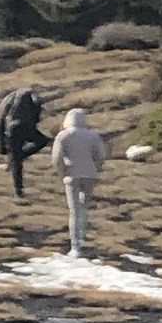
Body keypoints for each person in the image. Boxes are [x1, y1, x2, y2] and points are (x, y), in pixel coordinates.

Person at [50, 105, 108, 257]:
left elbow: (56, 158)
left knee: (74, 211)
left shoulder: (63, 136)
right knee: (83, 207)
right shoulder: (93, 136)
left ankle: (75, 246)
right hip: (90, 175)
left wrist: (62, 173)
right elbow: (101, 156)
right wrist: (96, 168)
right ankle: (82, 237)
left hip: (72, 176)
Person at [0, 83, 49, 199]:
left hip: (11, 129)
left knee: (16, 161)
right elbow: (37, 103)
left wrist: (1, 142)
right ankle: (21, 156)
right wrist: (35, 119)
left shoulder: (8, 99)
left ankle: (18, 191)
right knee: (42, 141)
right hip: (26, 127)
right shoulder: (31, 93)